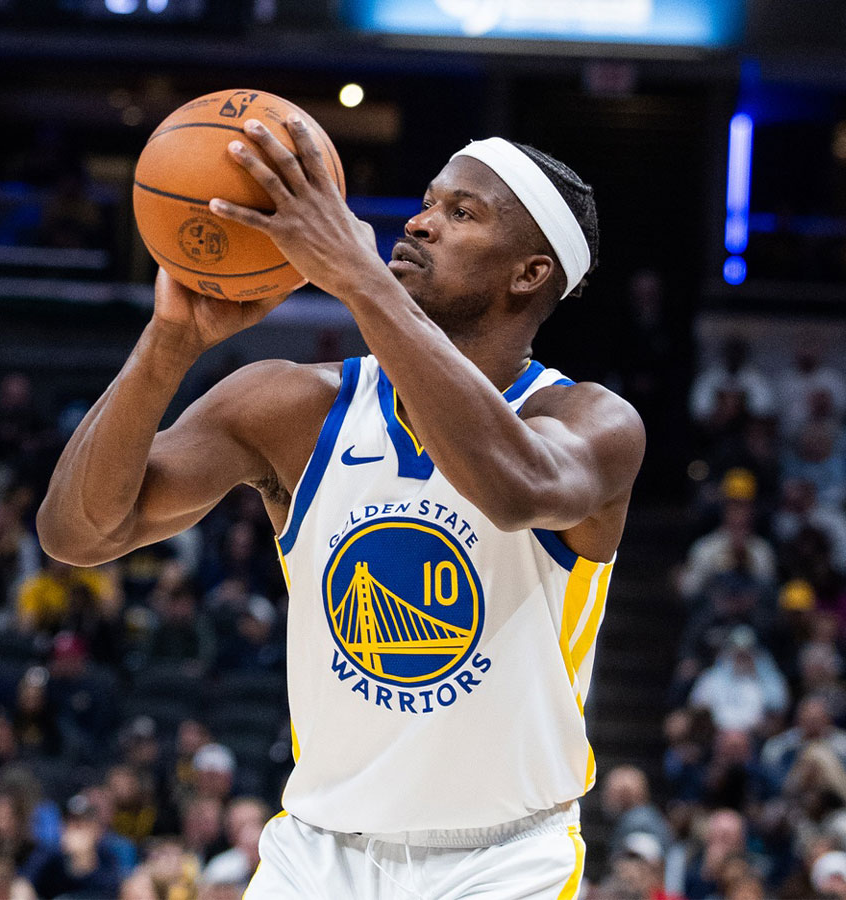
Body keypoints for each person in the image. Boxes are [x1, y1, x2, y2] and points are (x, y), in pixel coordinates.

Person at [39, 123, 644, 896]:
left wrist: (361, 280)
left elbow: (514, 487)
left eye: (461, 213)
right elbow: (77, 533)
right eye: (428, 202)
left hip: (503, 861)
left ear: (529, 274)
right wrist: (168, 346)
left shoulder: (591, 423)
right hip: (318, 851)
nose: (419, 223)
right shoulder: (294, 404)